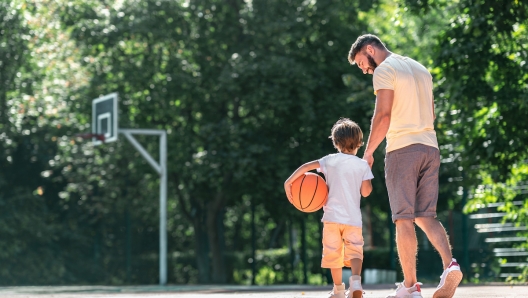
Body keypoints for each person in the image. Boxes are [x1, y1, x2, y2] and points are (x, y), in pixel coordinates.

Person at [347, 34, 463, 298]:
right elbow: (431, 113)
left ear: (369, 49)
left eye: (361, 63)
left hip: (403, 149)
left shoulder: (385, 70)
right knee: (426, 215)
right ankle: (450, 265)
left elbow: (383, 114)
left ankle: (410, 287)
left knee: (403, 218)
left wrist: (368, 153)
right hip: (430, 147)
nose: (364, 70)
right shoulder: (421, 69)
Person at [284, 118, 374, 298]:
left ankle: (338, 289)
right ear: (359, 143)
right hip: (353, 219)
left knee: (333, 254)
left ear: (335, 142)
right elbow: (365, 192)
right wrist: (368, 172)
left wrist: (289, 182)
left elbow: (306, 167)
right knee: (355, 250)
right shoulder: (362, 165)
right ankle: (355, 281)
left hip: (331, 218)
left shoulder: (330, 160)